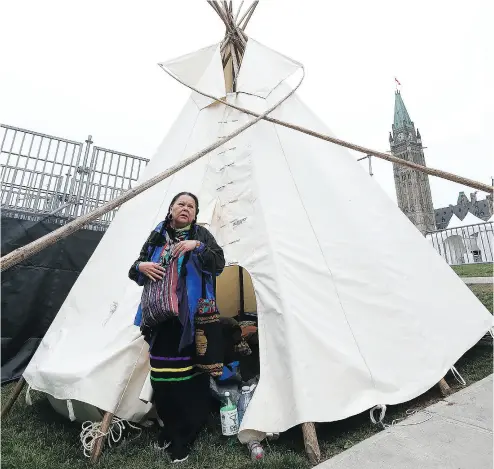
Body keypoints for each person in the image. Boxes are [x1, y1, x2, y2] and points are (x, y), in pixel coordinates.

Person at [129, 192, 225, 463]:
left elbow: (219, 264)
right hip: (160, 318)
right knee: (162, 377)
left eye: (191, 206)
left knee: (190, 379)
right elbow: (134, 270)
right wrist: (142, 266)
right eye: (181, 204)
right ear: (171, 208)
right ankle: (169, 427)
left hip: (192, 318)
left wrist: (197, 246)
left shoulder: (202, 236)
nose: (185, 209)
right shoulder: (157, 236)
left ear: (195, 214)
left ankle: (184, 435)